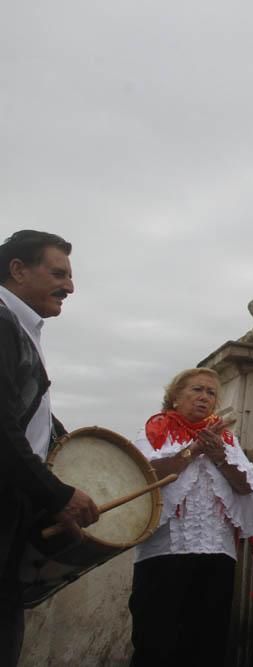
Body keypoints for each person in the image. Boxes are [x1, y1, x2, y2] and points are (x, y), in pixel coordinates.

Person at [129, 368, 253, 666]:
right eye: (197, 390)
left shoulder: (226, 441)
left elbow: (248, 487)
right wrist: (194, 450)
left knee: (207, 644)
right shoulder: (155, 432)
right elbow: (146, 475)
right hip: (164, 553)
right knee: (155, 644)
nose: (204, 397)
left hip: (216, 553)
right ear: (174, 398)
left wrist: (219, 456)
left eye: (211, 393)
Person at [0, 230, 99, 665]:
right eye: (58, 273)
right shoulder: (3, 324)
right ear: (18, 270)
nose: (70, 286)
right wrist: (57, 495)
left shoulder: (18, 325)